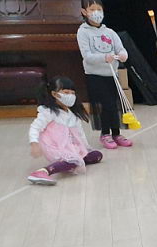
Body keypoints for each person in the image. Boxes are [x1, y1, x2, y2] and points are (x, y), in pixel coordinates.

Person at [27, 75, 103, 186]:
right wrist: (34, 144)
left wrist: (85, 147)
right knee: (73, 161)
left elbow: (79, 133)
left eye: (72, 93)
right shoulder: (49, 112)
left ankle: (73, 161)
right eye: (66, 92)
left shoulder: (72, 114)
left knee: (96, 155)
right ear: (54, 94)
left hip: (70, 146)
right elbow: (35, 127)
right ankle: (43, 171)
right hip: (55, 147)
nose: (70, 96)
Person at [77, 0, 132, 150]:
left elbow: (121, 49)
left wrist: (123, 55)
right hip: (95, 75)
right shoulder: (83, 32)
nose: (96, 13)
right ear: (84, 12)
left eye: (99, 9)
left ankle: (116, 134)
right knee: (105, 105)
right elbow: (87, 56)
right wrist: (103, 57)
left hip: (112, 74)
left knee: (114, 105)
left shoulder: (110, 32)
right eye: (92, 9)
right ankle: (105, 134)